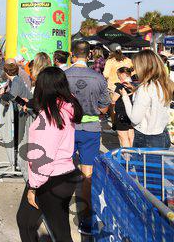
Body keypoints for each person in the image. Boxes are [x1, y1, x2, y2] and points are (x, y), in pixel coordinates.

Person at [17, 67, 83, 242]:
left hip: (49, 179)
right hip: (63, 175)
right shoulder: (66, 106)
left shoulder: (49, 117)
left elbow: (42, 158)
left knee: (43, 228)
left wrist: (33, 187)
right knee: (49, 227)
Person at [64, 41, 110, 236]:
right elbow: (105, 107)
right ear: (89, 55)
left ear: (72, 54)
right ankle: (86, 220)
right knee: (88, 174)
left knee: (62, 169)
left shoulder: (63, 76)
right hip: (91, 129)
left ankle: (58, 210)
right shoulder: (98, 77)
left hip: (67, 127)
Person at [121, 50, 174, 148]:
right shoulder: (164, 83)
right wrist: (135, 90)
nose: (134, 70)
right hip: (162, 134)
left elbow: (135, 119)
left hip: (147, 138)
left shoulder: (145, 88)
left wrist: (125, 97)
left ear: (143, 67)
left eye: (135, 67)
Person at [110, 67, 135, 147]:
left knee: (123, 137)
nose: (118, 77)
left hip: (121, 114)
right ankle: (133, 153)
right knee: (131, 136)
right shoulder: (134, 84)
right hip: (132, 113)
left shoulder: (120, 86)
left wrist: (111, 93)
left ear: (123, 74)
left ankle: (126, 154)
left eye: (118, 75)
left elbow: (113, 99)